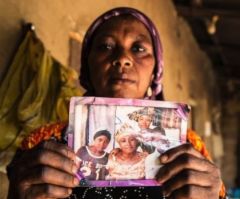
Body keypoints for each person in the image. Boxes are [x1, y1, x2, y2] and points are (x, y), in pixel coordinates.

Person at [7, 7, 226, 199]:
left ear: (154, 72)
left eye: (139, 48)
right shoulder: (41, 143)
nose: (122, 58)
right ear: (87, 66)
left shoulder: (186, 146)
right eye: (105, 46)